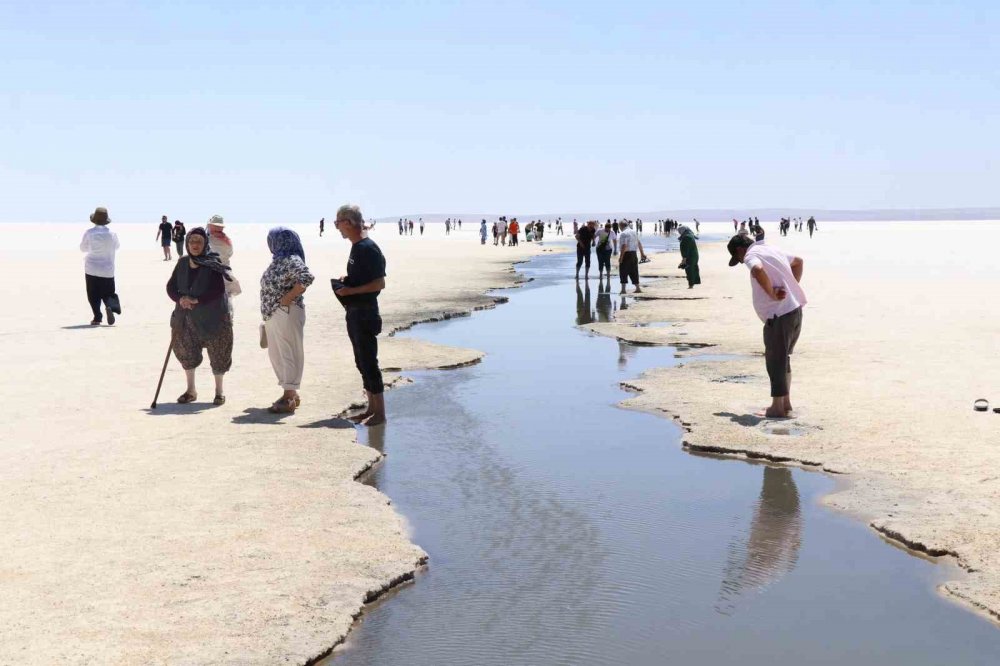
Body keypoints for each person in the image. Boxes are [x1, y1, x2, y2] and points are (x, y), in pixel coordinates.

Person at [727, 234, 806, 418]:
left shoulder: (750, 255)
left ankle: (777, 407)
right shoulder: (771, 249)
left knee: (775, 360)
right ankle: (785, 403)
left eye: (738, 259)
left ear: (740, 250)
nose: (741, 262)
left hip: (778, 317)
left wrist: (771, 293)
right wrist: (791, 289)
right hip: (794, 311)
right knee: (783, 358)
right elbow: (799, 262)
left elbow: (757, 269)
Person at [167, 227, 234, 405]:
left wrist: (197, 300)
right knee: (186, 351)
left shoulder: (213, 262)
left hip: (213, 316)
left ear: (205, 243)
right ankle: (191, 390)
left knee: (218, 352)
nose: (195, 245)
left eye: (199, 241)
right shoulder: (182, 263)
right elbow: (171, 286)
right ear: (187, 243)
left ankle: (219, 392)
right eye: (191, 241)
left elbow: (218, 290)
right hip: (185, 316)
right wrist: (180, 299)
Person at [333, 204, 387, 426]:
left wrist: (351, 291)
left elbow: (379, 283)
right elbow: (366, 278)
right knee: (361, 361)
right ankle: (371, 408)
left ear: (348, 222)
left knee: (369, 361)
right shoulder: (356, 247)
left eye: (338, 223)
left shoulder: (368, 248)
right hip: (355, 310)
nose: (337, 228)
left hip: (366, 313)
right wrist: (349, 281)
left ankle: (380, 413)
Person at [260, 227, 315, 414]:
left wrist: (287, 298)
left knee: (287, 352)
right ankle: (291, 394)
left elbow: (307, 277)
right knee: (278, 354)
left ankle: (289, 394)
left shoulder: (291, 259)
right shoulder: (279, 260)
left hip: (286, 311)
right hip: (275, 313)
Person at [80, 206, 121, 325]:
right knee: (109, 293)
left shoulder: (89, 233)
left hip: (91, 268)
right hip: (107, 269)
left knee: (93, 294)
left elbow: (83, 248)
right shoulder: (112, 234)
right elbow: (117, 246)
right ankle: (109, 306)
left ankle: (97, 317)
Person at [206, 215, 242, 303]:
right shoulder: (227, 240)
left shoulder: (207, 240)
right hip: (226, 273)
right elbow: (230, 253)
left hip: (211, 274)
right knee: (227, 300)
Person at [617, 222, 647, 294]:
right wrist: (642, 253)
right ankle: (638, 288)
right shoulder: (633, 232)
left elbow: (624, 245)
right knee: (634, 271)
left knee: (623, 271)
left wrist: (621, 257)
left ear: (621, 226)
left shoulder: (624, 233)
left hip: (626, 254)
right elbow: (639, 243)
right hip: (634, 254)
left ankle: (623, 290)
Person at [678, 225, 701, 289]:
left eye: (679, 231)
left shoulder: (686, 237)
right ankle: (693, 283)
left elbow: (686, 249)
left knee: (689, 270)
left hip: (690, 256)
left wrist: (684, 259)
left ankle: (691, 285)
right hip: (694, 255)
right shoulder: (690, 235)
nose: (679, 232)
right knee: (693, 268)